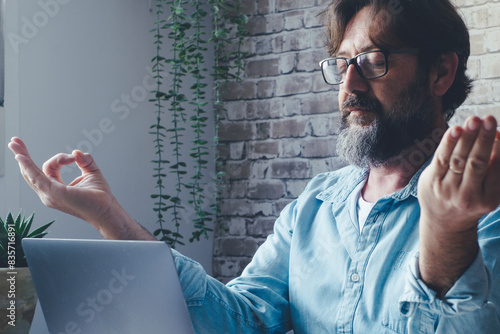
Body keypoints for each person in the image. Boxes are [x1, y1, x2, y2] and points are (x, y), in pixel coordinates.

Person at [8, 0, 500, 332]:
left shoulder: (488, 208)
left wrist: (446, 232)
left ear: (440, 71)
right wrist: (108, 216)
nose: (348, 88)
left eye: (373, 60)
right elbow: (237, 319)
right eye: (341, 63)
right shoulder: (315, 207)